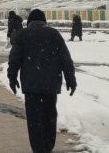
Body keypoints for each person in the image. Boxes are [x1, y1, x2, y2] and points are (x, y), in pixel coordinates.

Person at [7, 9, 77, 153]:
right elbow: (66, 60)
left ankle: (38, 149)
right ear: (44, 21)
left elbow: (14, 60)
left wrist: (12, 78)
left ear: (29, 22)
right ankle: (48, 147)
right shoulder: (54, 34)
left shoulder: (23, 35)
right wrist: (71, 79)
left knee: (34, 120)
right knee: (50, 117)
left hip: (31, 86)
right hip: (50, 86)